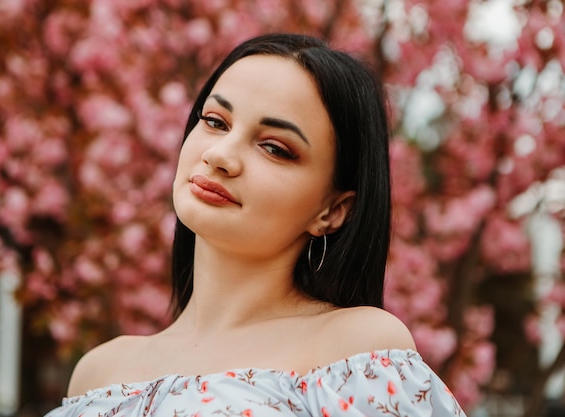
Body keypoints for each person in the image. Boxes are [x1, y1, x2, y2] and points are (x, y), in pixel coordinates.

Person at [44, 33, 466, 417]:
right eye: (214, 122)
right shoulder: (97, 374)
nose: (220, 155)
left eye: (274, 148)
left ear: (333, 210)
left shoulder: (356, 351)